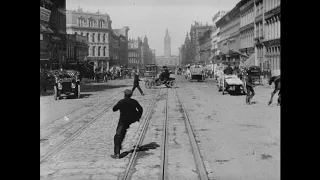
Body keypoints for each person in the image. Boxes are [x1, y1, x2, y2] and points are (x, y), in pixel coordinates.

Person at [111, 89, 143, 159]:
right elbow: (140, 109)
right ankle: (119, 146)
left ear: (124, 95)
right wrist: (137, 116)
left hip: (123, 121)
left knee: (118, 135)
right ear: (131, 95)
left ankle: (117, 153)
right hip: (131, 120)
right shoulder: (134, 101)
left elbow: (114, 109)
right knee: (122, 133)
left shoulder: (121, 102)